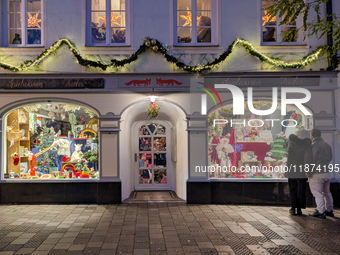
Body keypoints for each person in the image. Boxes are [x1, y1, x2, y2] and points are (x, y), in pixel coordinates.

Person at [286, 130, 313, 215]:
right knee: (301, 189)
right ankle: (299, 208)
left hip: (291, 170)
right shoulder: (307, 145)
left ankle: (293, 208)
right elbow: (307, 159)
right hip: (301, 170)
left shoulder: (291, 143)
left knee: (292, 189)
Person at [308, 129, 334, 219]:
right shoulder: (327, 145)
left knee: (317, 193)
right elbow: (330, 157)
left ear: (312, 135)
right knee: (327, 192)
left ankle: (320, 211)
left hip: (317, 172)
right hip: (327, 171)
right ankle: (330, 210)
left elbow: (312, 159)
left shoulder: (314, 146)